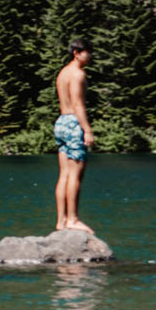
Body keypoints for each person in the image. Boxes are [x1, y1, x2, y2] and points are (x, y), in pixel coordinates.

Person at [53, 38, 95, 233]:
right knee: (75, 174)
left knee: (64, 174)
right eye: (86, 52)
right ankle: (73, 219)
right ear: (76, 53)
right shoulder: (77, 74)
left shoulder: (63, 73)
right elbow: (78, 104)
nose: (90, 55)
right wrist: (87, 130)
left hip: (61, 122)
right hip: (72, 123)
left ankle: (61, 221)